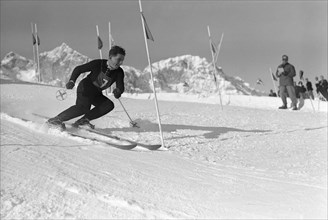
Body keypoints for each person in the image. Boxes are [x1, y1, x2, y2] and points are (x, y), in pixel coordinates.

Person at [47, 46, 126, 130]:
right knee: (83, 108)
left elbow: (120, 86)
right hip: (85, 88)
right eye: (118, 59)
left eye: (122, 60)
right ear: (110, 57)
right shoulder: (98, 64)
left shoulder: (119, 72)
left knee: (108, 105)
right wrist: (72, 81)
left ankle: (83, 121)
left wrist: (118, 91)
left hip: (96, 93)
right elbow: (79, 69)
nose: (120, 62)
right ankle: (56, 120)